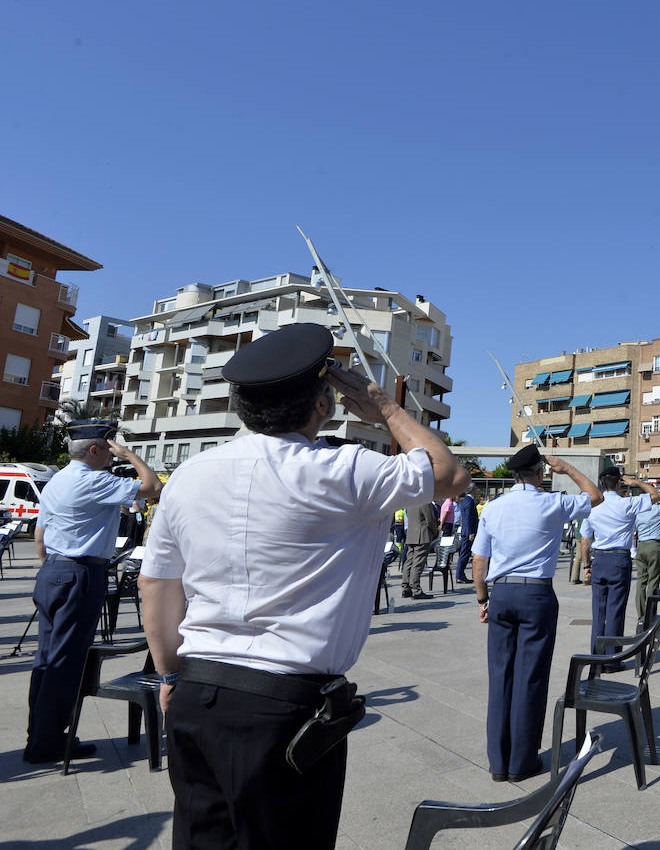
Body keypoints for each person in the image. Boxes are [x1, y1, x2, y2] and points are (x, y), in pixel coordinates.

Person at [139, 323, 467, 848]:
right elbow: (449, 475)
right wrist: (385, 408)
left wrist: (169, 675)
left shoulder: (193, 474)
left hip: (197, 693)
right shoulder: (344, 469)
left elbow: (155, 583)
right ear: (322, 404)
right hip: (283, 706)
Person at [24, 419, 160, 764]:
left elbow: (41, 536)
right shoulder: (93, 479)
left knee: (47, 657)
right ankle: (49, 741)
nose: (113, 456)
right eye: (110, 448)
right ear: (96, 450)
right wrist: (131, 455)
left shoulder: (57, 480)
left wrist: (55, 568)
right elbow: (152, 486)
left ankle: (39, 733)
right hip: (80, 572)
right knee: (67, 660)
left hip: (54, 570)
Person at [474, 445, 599, 781]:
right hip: (536, 593)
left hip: (501, 592)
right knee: (530, 678)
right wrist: (568, 469)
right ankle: (522, 761)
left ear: (514, 474)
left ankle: (498, 763)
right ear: (541, 472)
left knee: (500, 677)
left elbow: (479, 560)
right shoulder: (552, 503)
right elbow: (595, 496)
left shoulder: (493, 508)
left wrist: (483, 600)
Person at [578, 467, 660, 653]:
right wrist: (637, 483)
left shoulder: (592, 506)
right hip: (619, 559)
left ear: (601, 484)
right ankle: (611, 658)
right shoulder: (627, 503)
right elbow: (657, 495)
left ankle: (596, 654)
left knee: (598, 612)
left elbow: (585, 541)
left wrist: (587, 565)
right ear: (619, 483)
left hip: (599, 559)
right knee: (615, 610)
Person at [633, 492, 660, 618]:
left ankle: (641, 614)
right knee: (653, 581)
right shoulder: (659, 509)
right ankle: (650, 614)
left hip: (641, 545)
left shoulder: (637, 512)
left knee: (641, 582)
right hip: (655, 546)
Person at [402, 499, 440, 599]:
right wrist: (435, 531)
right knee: (418, 563)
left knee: (409, 561)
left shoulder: (409, 502)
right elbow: (430, 519)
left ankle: (406, 587)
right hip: (422, 535)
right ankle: (416, 589)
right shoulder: (424, 501)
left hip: (411, 535)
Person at [454, 487, 478, 584]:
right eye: (475, 489)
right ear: (472, 490)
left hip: (467, 531)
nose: (477, 491)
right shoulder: (469, 501)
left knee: (465, 554)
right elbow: (468, 518)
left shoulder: (466, 500)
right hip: (468, 532)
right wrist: (470, 532)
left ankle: (461, 575)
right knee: (464, 554)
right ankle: (460, 575)